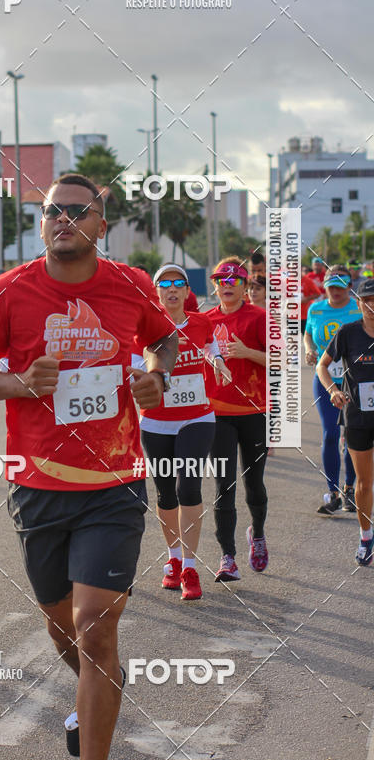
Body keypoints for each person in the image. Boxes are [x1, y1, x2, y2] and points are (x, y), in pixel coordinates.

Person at [0, 174, 177, 760]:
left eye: (78, 211)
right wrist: (19, 383)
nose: (63, 219)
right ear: (41, 223)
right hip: (38, 487)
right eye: (53, 210)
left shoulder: (131, 284)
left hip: (114, 483)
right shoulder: (6, 292)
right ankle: (99, 683)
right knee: (64, 633)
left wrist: (155, 375)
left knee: (95, 629)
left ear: (102, 224)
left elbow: (164, 339)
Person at [136, 264, 231, 601]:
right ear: (156, 292)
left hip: (197, 417)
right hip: (156, 420)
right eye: (165, 283)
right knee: (165, 493)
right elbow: (133, 362)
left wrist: (217, 361)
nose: (172, 288)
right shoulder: (145, 327)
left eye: (179, 283)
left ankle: (190, 568)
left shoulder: (202, 322)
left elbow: (210, 346)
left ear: (188, 291)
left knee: (188, 486)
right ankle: (174, 560)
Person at [204, 257, 268, 581]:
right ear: (214, 286)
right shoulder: (204, 321)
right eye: (221, 280)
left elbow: (282, 360)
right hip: (217, 415)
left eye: (234, 280)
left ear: (245, 286)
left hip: (255, 412)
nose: (227, 285)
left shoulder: (259, 317)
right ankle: (227, 557)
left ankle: (257, 533)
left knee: (253, 484)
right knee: (223, 485)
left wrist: (247, 353)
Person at [317, 278, 374, 564]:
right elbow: (322, 366)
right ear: (359, 303)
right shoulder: (348, 333)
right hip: (358, 416)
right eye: (367, 301)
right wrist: (333, 390)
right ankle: (366, 537)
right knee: (364, 482)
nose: (372, 306)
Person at [304, 265, 361, 514]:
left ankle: (349, 489)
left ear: (349, 286)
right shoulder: (315, 308)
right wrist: (309, 349)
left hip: (354, 381)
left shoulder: (359, 308)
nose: (335, 291)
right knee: (330, 433)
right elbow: (308, 334)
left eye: (340, 286)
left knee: (351, 434)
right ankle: (333, 492)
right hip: (325, 378)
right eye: (330, 287)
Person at [301, 266, 321, 335]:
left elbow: (318, 293)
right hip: (291, 315)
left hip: (304, 315)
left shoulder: (307, 280)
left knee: (307, 336)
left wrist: (307, 299)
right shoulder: (288, 281)